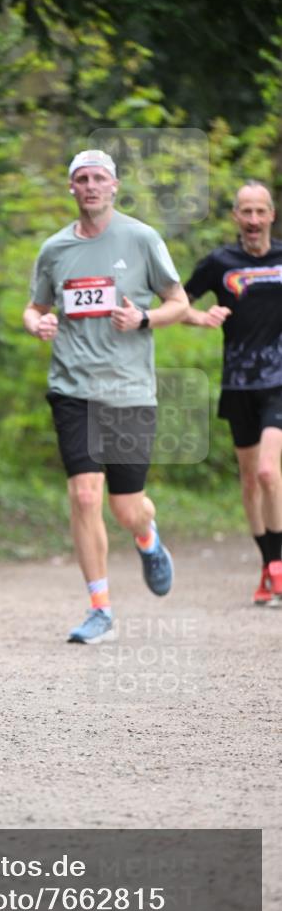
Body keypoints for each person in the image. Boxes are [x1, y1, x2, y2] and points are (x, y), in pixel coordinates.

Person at [23, 149, 189, 644]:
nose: (91, 186)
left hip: (129, 389)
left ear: (114, 186)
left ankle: (147, 537)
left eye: (99, 178)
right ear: (71, 188)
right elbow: (33, 309)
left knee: (126, 506)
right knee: (84, 493)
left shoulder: (141, 239)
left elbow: (178, 303)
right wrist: (39, 323)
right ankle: (100, 608)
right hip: (73, 388)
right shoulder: (55, 250)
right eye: (82, 179)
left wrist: (144, 318)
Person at [182, 181, 282, 605]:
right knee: (248, 481)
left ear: (272, 215)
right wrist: (201, 317)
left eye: (261, 211)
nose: (254, 220)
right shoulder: (219, 263)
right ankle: (267, 565)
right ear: (236, 217)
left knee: (266, 471)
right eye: (247, 212)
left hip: (279, 382)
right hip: (238, 385)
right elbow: (176, 304)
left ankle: (277, 566)